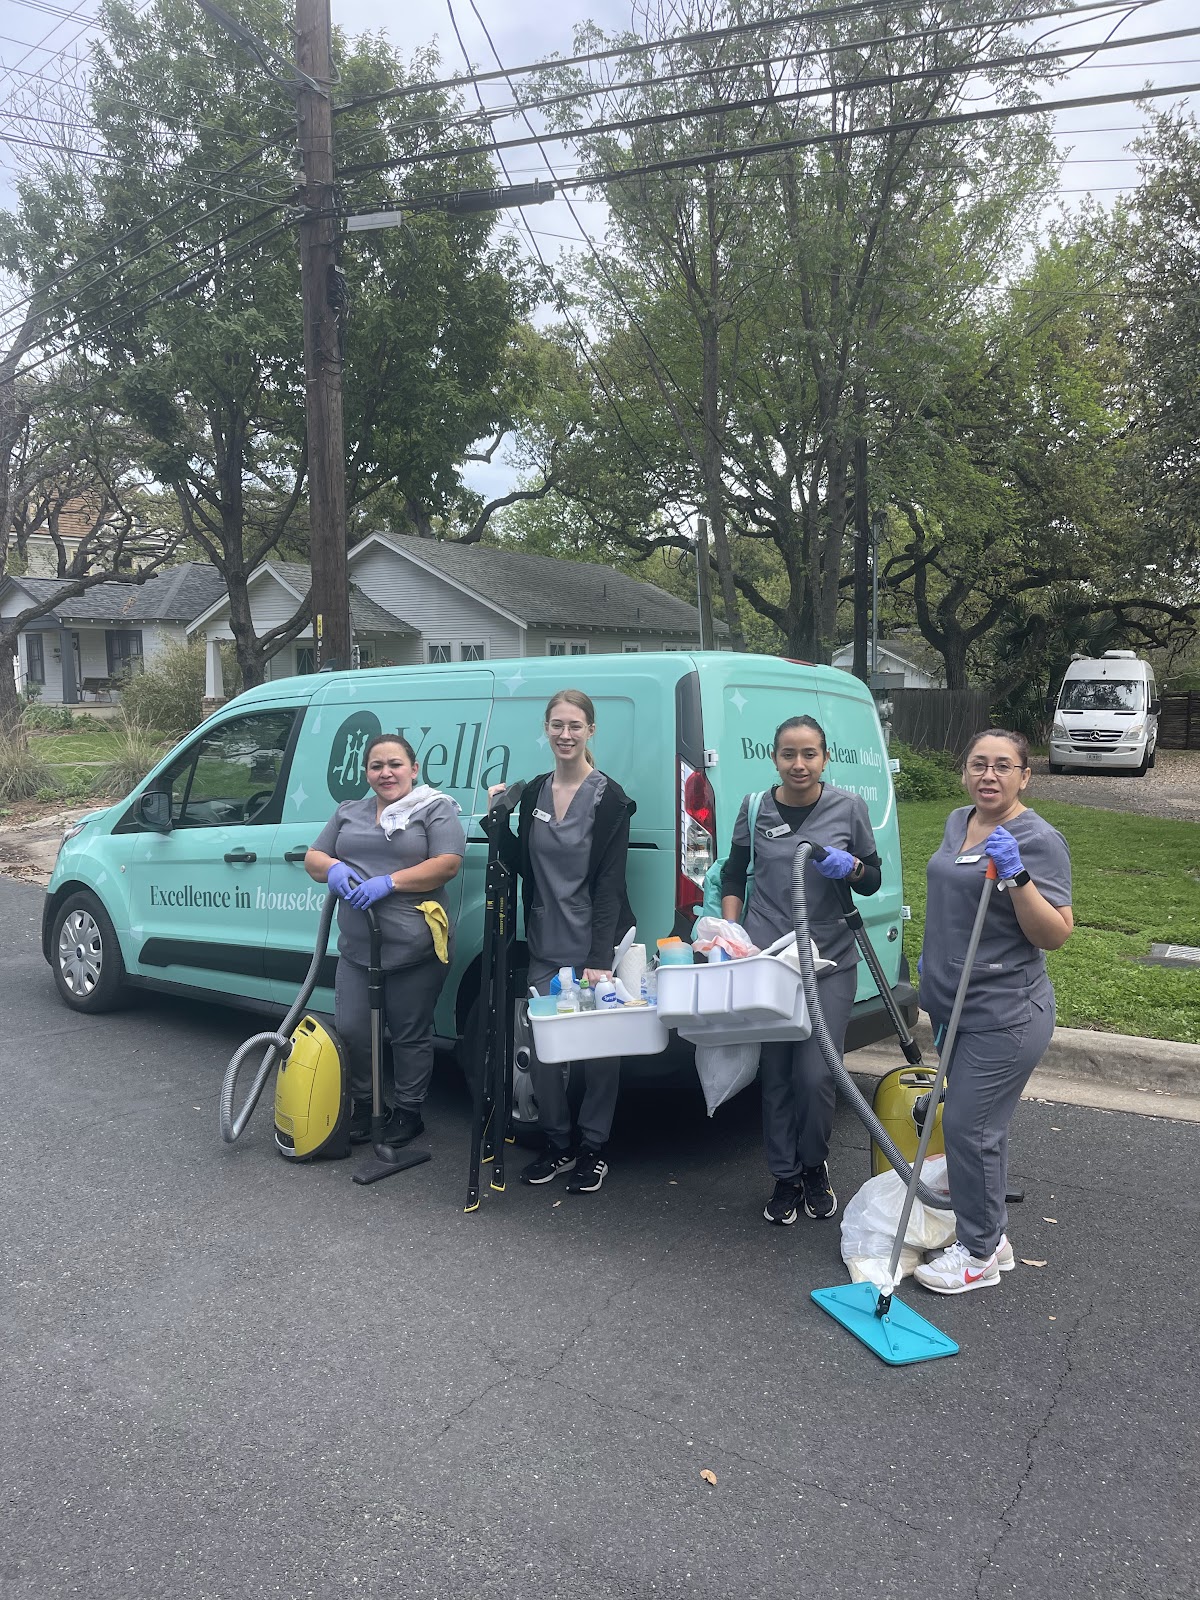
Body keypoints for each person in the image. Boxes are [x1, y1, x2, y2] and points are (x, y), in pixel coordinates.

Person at [914, 728, 1073, 1295]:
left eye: (1003, 766)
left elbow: (1054, 933)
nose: (989, 774)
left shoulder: (1038, 838)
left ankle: (978, 1254)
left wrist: (1018, 876)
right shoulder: (959, 820)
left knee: (966, 1125)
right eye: (979, 763)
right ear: (965, 772)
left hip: (1005, 1013)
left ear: (1025, 776)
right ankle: (993, 1237)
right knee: (983, 1131)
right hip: (951, 1005)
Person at [721, 715, 883, 1227]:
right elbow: (732, 871)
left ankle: (815, 1164)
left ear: (824, 757)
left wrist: (852, 868)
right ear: (774, 757)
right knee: (778, 1077)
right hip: (770, 962)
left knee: (816, 1075)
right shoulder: (754, 809)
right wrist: (731, 934)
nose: (799, 764)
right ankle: (785, 1175)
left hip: (828, 959)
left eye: (809, 754)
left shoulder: (847, 809)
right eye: (789, 754)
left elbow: (872, 879)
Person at [487, 689, 635, 1194]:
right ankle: (558, 1143)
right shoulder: (533, 794)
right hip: (545, 942)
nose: (565, 735)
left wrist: (599, 960)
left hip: (596, 945)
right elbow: (520, 864)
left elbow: (611, 884)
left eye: (575, 725)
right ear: (546, 730)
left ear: (591, 731)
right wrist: (496, 820)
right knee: (547, 1051)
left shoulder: (609, 799)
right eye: (557, 725)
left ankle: (594, 1149)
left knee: (599, 1055)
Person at [305, 733, 466, 1148]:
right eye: (377, 766)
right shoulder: (349, 812)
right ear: (367, 773)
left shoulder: (435, 809)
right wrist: (334, 868)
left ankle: (409, 1112)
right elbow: (313, 857)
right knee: (355, 1029)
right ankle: (364, 1104)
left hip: (415, 949)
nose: (386, 772)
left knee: (410, 1033)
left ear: (414, 769)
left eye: (395, 764)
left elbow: (447, 865)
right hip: (358, 951)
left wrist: (390, 882)